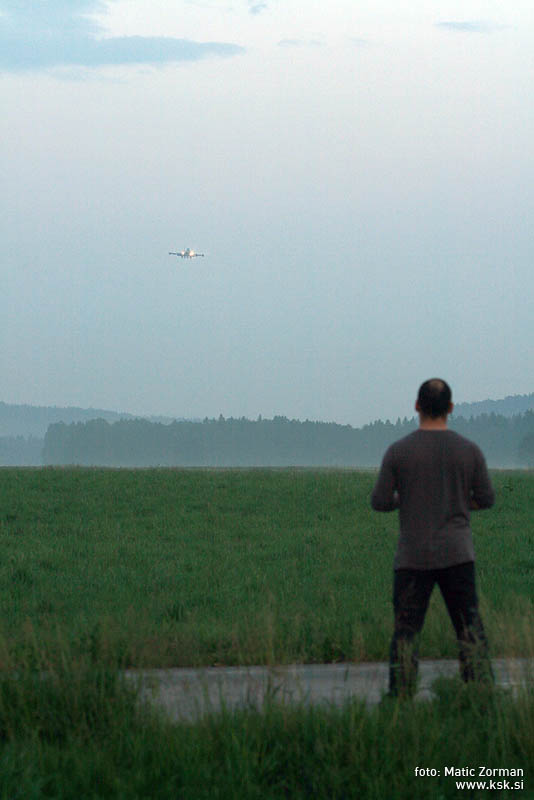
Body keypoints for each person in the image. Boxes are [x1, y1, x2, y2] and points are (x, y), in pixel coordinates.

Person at [371, 378, 495, 697]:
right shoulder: (469, 450)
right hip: (457, 554)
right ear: (450, 408)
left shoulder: (398, 451)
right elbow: (487, 497)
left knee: (406, 634)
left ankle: (400, 700)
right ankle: (479, 696)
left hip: (413, 556)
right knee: (470, 631)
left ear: (416, 406)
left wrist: (408, 499)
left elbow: (380, 501)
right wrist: (457, 501)